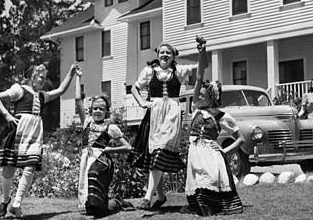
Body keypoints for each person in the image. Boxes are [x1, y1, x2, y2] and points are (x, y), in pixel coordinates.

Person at [0, 63, 77, 219]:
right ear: (32, 77)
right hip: (18, 131)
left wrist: (71, 73)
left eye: (45, 78)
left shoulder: (42, 95)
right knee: (9, 169)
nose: (43, 80)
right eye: (41, 77)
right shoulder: (19, 89)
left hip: (34, 134)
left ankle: (16, 204)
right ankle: (5, 200)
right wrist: (7, 115)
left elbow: (61, 90)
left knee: (30, 166)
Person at [128, 37, 206, 210]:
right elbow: (134, 88)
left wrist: (202, 52)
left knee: (160, 151)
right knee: (154, 155)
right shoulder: (149, 71)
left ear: (173, 56)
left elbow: (201, 69)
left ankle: (147, 197)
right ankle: (161, 196)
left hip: (171, 114)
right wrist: (142, 102)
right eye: (162, 52)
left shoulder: (178, 71)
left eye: (168, 52)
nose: (165, 55)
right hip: (154, 114)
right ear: (157, 54)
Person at [182, 37, 245, 216]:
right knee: (196, 180)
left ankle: (209, 208)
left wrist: (225, 151)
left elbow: (241, 139)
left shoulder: (221, 116)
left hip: (210, 153)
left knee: (208, 179)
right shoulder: (195, 108)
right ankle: (199, 207)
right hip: (195, 151)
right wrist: (202, 51)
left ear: (211, 97)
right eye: (198, 94)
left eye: (203, 95)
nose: (199, 97)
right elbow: (200, 75)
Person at [75, 66, 133, 218]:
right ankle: (115, 200)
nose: (98, 111)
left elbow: (128, 147)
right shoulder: (86, 121)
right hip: (87, 159)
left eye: (101, 109)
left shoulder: (111, 127)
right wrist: (77, 77)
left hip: (102, 161)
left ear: (107, 111)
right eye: (95, 109)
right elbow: (77, 100)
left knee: (99, 208)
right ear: (91, 110)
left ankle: (116, 202)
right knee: (92, 207)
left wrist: (108, 150)